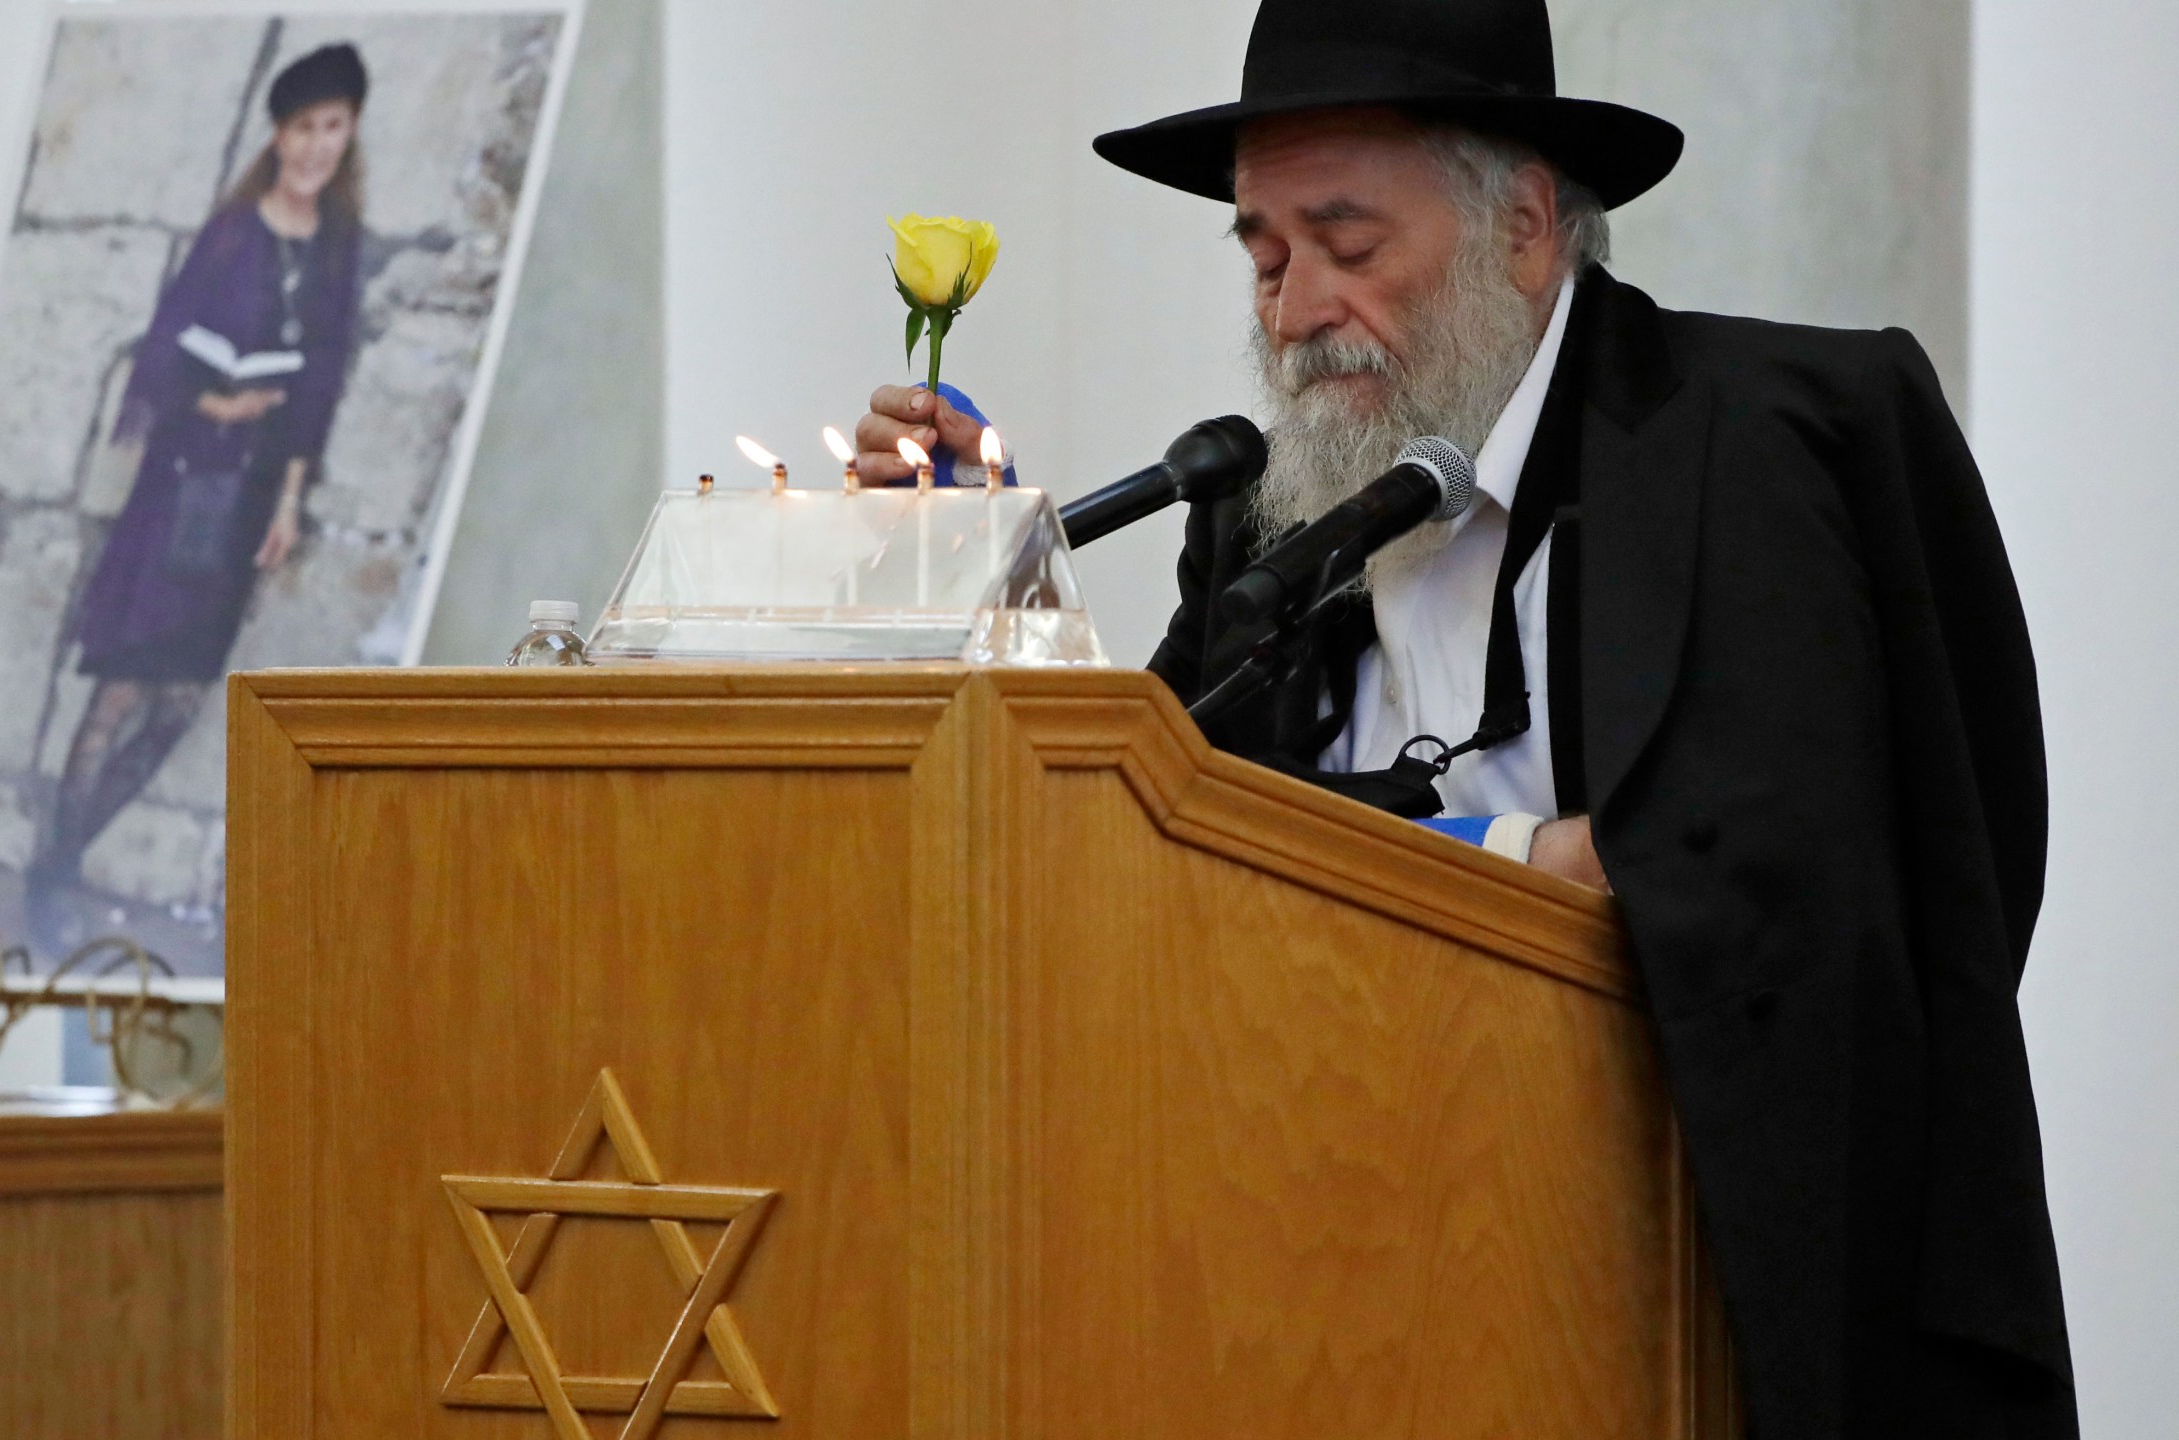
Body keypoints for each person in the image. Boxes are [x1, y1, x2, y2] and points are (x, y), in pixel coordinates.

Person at [852, 0, 2075, 1434]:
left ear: (1528, 227)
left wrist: (1484, 862)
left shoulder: (1761, 446)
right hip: (1314, 1279)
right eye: (1263, 255)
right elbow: (1149, 844)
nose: (1296, 309)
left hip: (1688, 1300)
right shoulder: (1267, 520)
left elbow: (1786, 883)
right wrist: (989, 583)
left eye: (1350, 245)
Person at [27, 43, 368, 941]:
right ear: (278, 134)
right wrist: (220, 398)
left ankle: (62, 853)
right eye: (302, 127)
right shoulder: (233, 232)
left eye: (333, 127)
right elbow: (166, 350)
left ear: (350, 133)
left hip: (252, 496)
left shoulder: (339, 249)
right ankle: (51, 880)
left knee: (180, 701)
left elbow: (321, 391)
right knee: (123, 690)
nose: (315, 146)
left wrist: (291, 499)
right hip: (182, 483)